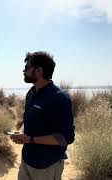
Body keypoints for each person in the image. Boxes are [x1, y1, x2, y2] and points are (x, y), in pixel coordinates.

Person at [10, 51, 75, 180]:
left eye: (27, 67)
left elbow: (65, 138)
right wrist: (21, 133)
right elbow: (29, 120)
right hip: (26, 161)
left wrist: (29, 139)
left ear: (39, 70)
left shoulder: (59, 98)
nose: (23, 71)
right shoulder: (31, 93)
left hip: (47, 166)